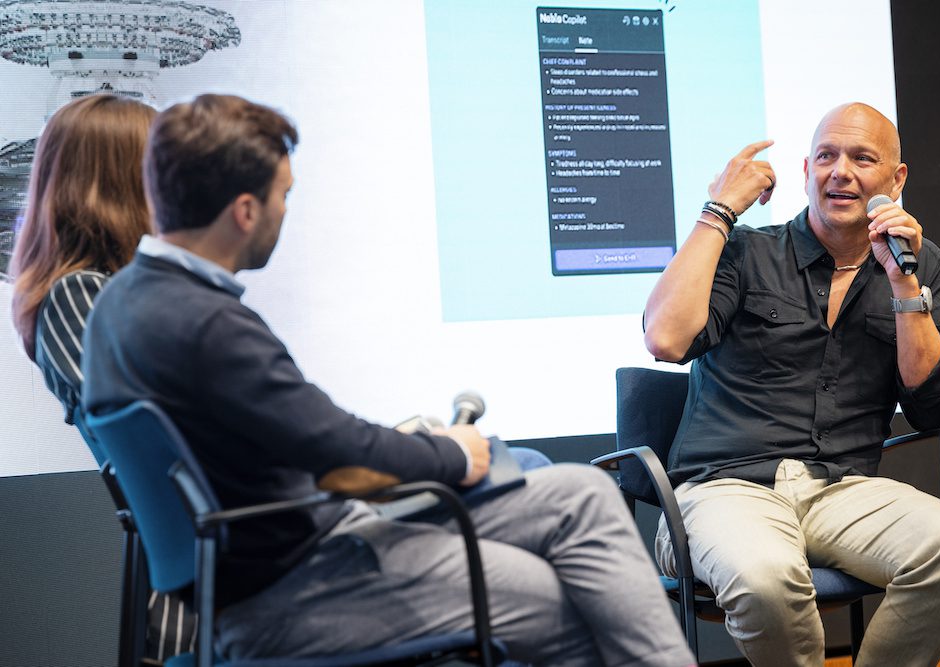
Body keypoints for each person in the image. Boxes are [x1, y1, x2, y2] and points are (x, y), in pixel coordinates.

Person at [82, 93, 696, 667]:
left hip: (285, 557)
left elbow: (299, 433)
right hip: (299, 588)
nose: (285, 212)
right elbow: (338, 447)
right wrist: (452, 453)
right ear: (244, 211)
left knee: (581, 494)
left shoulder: (123, 304)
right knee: (566, 604)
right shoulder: (207, 325)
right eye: (283, 196)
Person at [642, 102, 940, 666]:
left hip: (843, 489)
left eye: (862, 158)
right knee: (765, 577)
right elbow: (666, 339)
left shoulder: (919, 265)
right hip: (725, 488)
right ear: (805, 171)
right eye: (826, 156)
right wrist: (717, 212)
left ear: (896, 180)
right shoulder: (747, 250)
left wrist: (903, 283)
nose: (840, 171)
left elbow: (933, 407)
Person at [9, 94, 196, 665]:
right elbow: (177, 435)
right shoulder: (78, 296)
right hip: (204, 580)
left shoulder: (129, 293)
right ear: (123, 180)